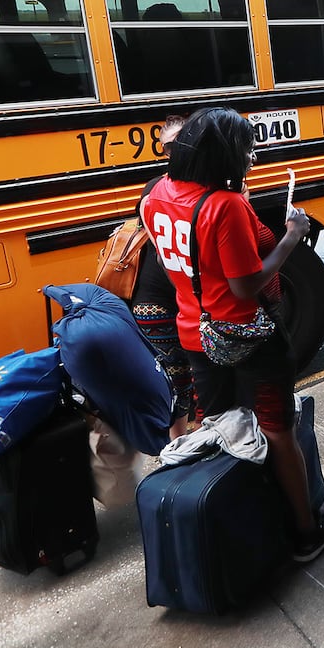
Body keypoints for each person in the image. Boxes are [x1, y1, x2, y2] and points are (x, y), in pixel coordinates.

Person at [141, 107, 324, 563]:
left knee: (220, 427)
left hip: (196, 335)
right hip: (250, 337)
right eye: (245, 152)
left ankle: (237, 525)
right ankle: (305, 533)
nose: (250, 159)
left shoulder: (155, 196)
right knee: (277, 430)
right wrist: (292, 235)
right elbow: (247, 284)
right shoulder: (226, 206)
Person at [130, 114, 195, 439]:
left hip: (176, 302)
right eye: (168, 147)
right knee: (178, 382)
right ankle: (180, 452)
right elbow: (168, 256)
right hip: (159, 304)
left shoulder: (188, 187)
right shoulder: (158, 190)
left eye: (180, 142)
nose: (175, 151)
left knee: (191, 380)